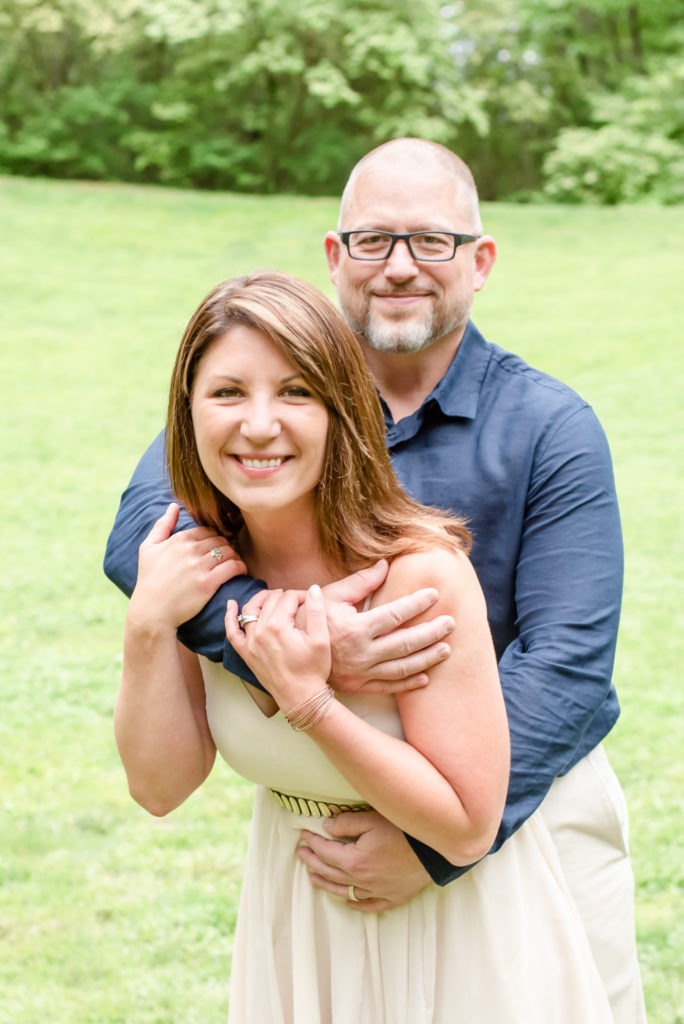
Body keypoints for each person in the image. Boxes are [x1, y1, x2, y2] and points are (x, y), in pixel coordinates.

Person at [105, 139, 646, 1022]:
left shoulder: (550, 427)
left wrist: (436, 849)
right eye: (372, 241)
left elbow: (568, 664)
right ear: (335, 257)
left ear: (480, 261)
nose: (399, 267)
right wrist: (296, 635)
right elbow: (142, 537)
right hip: (317, 840)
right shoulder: (272, 391)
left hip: (521, 812)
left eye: (431, 242)